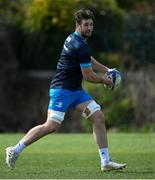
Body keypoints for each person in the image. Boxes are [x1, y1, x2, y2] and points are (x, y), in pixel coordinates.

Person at [6, 9, 126, 171]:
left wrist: (105, 69)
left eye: (91, 24)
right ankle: (15, 150)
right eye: (86, 25)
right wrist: (105, 80)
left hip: (75, 90)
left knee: (98, 117)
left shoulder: (73, 38)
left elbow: (87, 59)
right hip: (62, 90)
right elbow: (89, 76)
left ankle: (105, 162)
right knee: (51, 126)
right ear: (78, 25)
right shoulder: (79, 45)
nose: (89, 28)